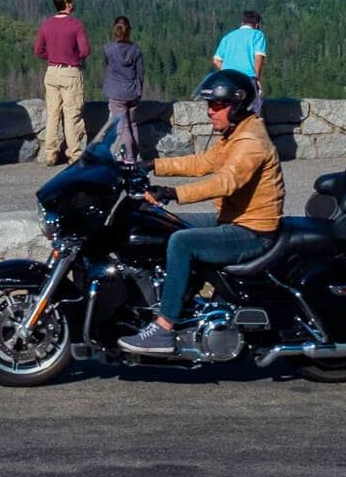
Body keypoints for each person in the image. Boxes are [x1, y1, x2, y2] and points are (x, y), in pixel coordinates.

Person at [118, 69, 285, 355]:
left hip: (252, 231)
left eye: (218, 105)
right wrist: (151, 165)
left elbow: (226, 182)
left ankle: (164, 328)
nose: (210, 111)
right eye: (210, 104)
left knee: (181, 242)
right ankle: (175, 299)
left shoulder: (250, 141)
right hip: (231, 220)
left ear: (237, 106)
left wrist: (173, 193)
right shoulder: (235, 133)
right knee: (162, 222)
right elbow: (203, 162)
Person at [33, 0, 90, 166]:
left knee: (53, 114)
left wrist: (52, 56)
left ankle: (50, 153)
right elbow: (85, 51)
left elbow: (38, 50)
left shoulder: (47, 25)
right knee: (72, 114)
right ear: (68, 4)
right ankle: (74, 154)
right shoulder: (76, 25)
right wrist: (72, 57)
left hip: (51, 72)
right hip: (70, 72)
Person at [102, 15, 144, 162]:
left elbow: (107, 65)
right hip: (132, 92)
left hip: (116, 93)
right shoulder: (136, 50)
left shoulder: (108, 49)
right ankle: (135, 154)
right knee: (132, 124)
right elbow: (140, 73)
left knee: (123, 127)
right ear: (129, 30)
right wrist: (139, 92)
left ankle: (128, 157)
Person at [212, 10, 267, 114]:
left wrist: (226, 70)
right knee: (253, 112)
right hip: (248, 78)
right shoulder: (257, 34)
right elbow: (258, 58)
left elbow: (216, 60)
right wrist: (257, 78)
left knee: (231, 111)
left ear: (242, 23)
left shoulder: (228, 37)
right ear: (257, 25)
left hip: (228, 80)